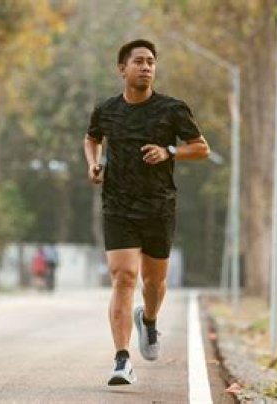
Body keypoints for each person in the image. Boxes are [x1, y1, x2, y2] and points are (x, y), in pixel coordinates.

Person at [83, 39, 210, 386]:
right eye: (138, 61)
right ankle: (122, 359)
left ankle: (149, 320)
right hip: (118, 205)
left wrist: (170, 151)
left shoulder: (172, 109)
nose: (146, 67)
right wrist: (94, 164)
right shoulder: (106, 110)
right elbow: (92, 138)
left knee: (154, 283)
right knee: (124, 277)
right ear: (122, 69)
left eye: (151, 62)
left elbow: (201, 148)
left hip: (158, 206)